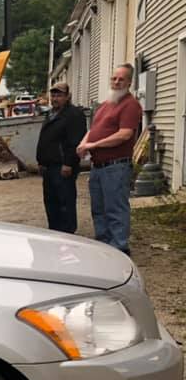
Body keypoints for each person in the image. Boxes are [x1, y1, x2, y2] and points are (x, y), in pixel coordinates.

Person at [77, 64, 142, 254]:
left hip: (116, 167)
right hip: (98, 167)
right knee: (98, 209)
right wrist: (83, 144)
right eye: (114, 78)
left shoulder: (130, 105)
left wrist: (94, 146)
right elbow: (92, 130)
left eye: (121, 79)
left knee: (115, 209)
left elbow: (124, 134)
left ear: (129, 82)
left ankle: (119, 248)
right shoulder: (105, 105)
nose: (116, 82)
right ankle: (104, 245)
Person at [36, 82, 86, 233]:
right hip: (48, 167)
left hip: (62, 167)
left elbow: (75, 142)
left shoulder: (74, 115)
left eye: (59, 95)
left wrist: (69, 163)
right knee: (51, 203)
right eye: (53, 95)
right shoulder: (51, 114)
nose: (55, 98)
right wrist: (41, 161)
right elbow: (45, 140)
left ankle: (68, 233)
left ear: (67, 97)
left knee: (65, 202)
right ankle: (55, 232)